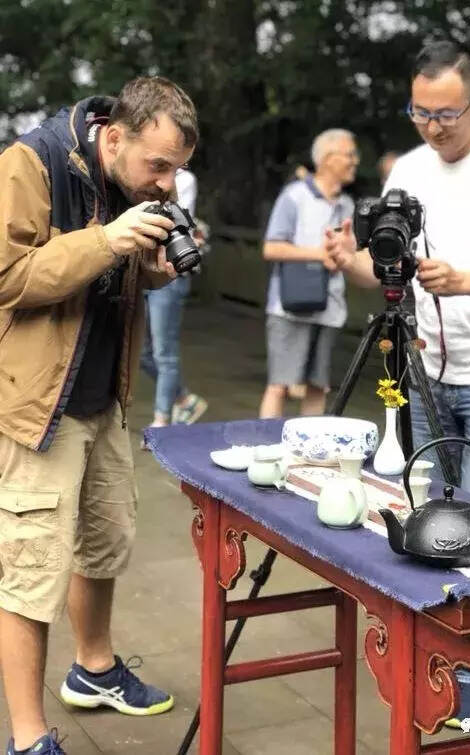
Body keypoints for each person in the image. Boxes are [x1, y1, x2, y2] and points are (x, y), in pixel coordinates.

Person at [325, 40, 470, 728]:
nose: (431, 126)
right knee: (426, 515)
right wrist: (349, 260)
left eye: (445, 113)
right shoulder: (412, 169)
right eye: (419, 112)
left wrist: (465, 280)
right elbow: (385, 269)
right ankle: (429, 667)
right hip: (426, 365)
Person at [0, 76, 198, 755]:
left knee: (104, 541)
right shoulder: (33, 162)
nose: (168, 183)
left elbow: (105, 284)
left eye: (178, 170)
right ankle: (28, 739)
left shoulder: (132, 183)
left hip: (102, 398)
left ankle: (94, 668)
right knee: (31, 570)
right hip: (34, 406)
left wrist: (151, 269)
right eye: (160, 165)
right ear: (115, 136)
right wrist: (108, 241)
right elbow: (7, 276)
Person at [258, 129, 359, 418]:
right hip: (290, 308)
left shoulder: (348, 205)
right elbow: (271, 248)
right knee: (279, 385)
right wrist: (320, 255)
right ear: (327, 159)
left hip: (331, 308)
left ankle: (309, 454)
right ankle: (266, 452)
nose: (355, 162)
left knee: (319, 386)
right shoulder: (295, 196)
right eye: (349, 155)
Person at [139, 166, 208, 436]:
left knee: (163, 352)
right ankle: (184, 399)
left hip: (171, 271)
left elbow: (172, 217)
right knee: (142, 352)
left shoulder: (184, 179)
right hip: (141, 266)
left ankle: (161, 422)